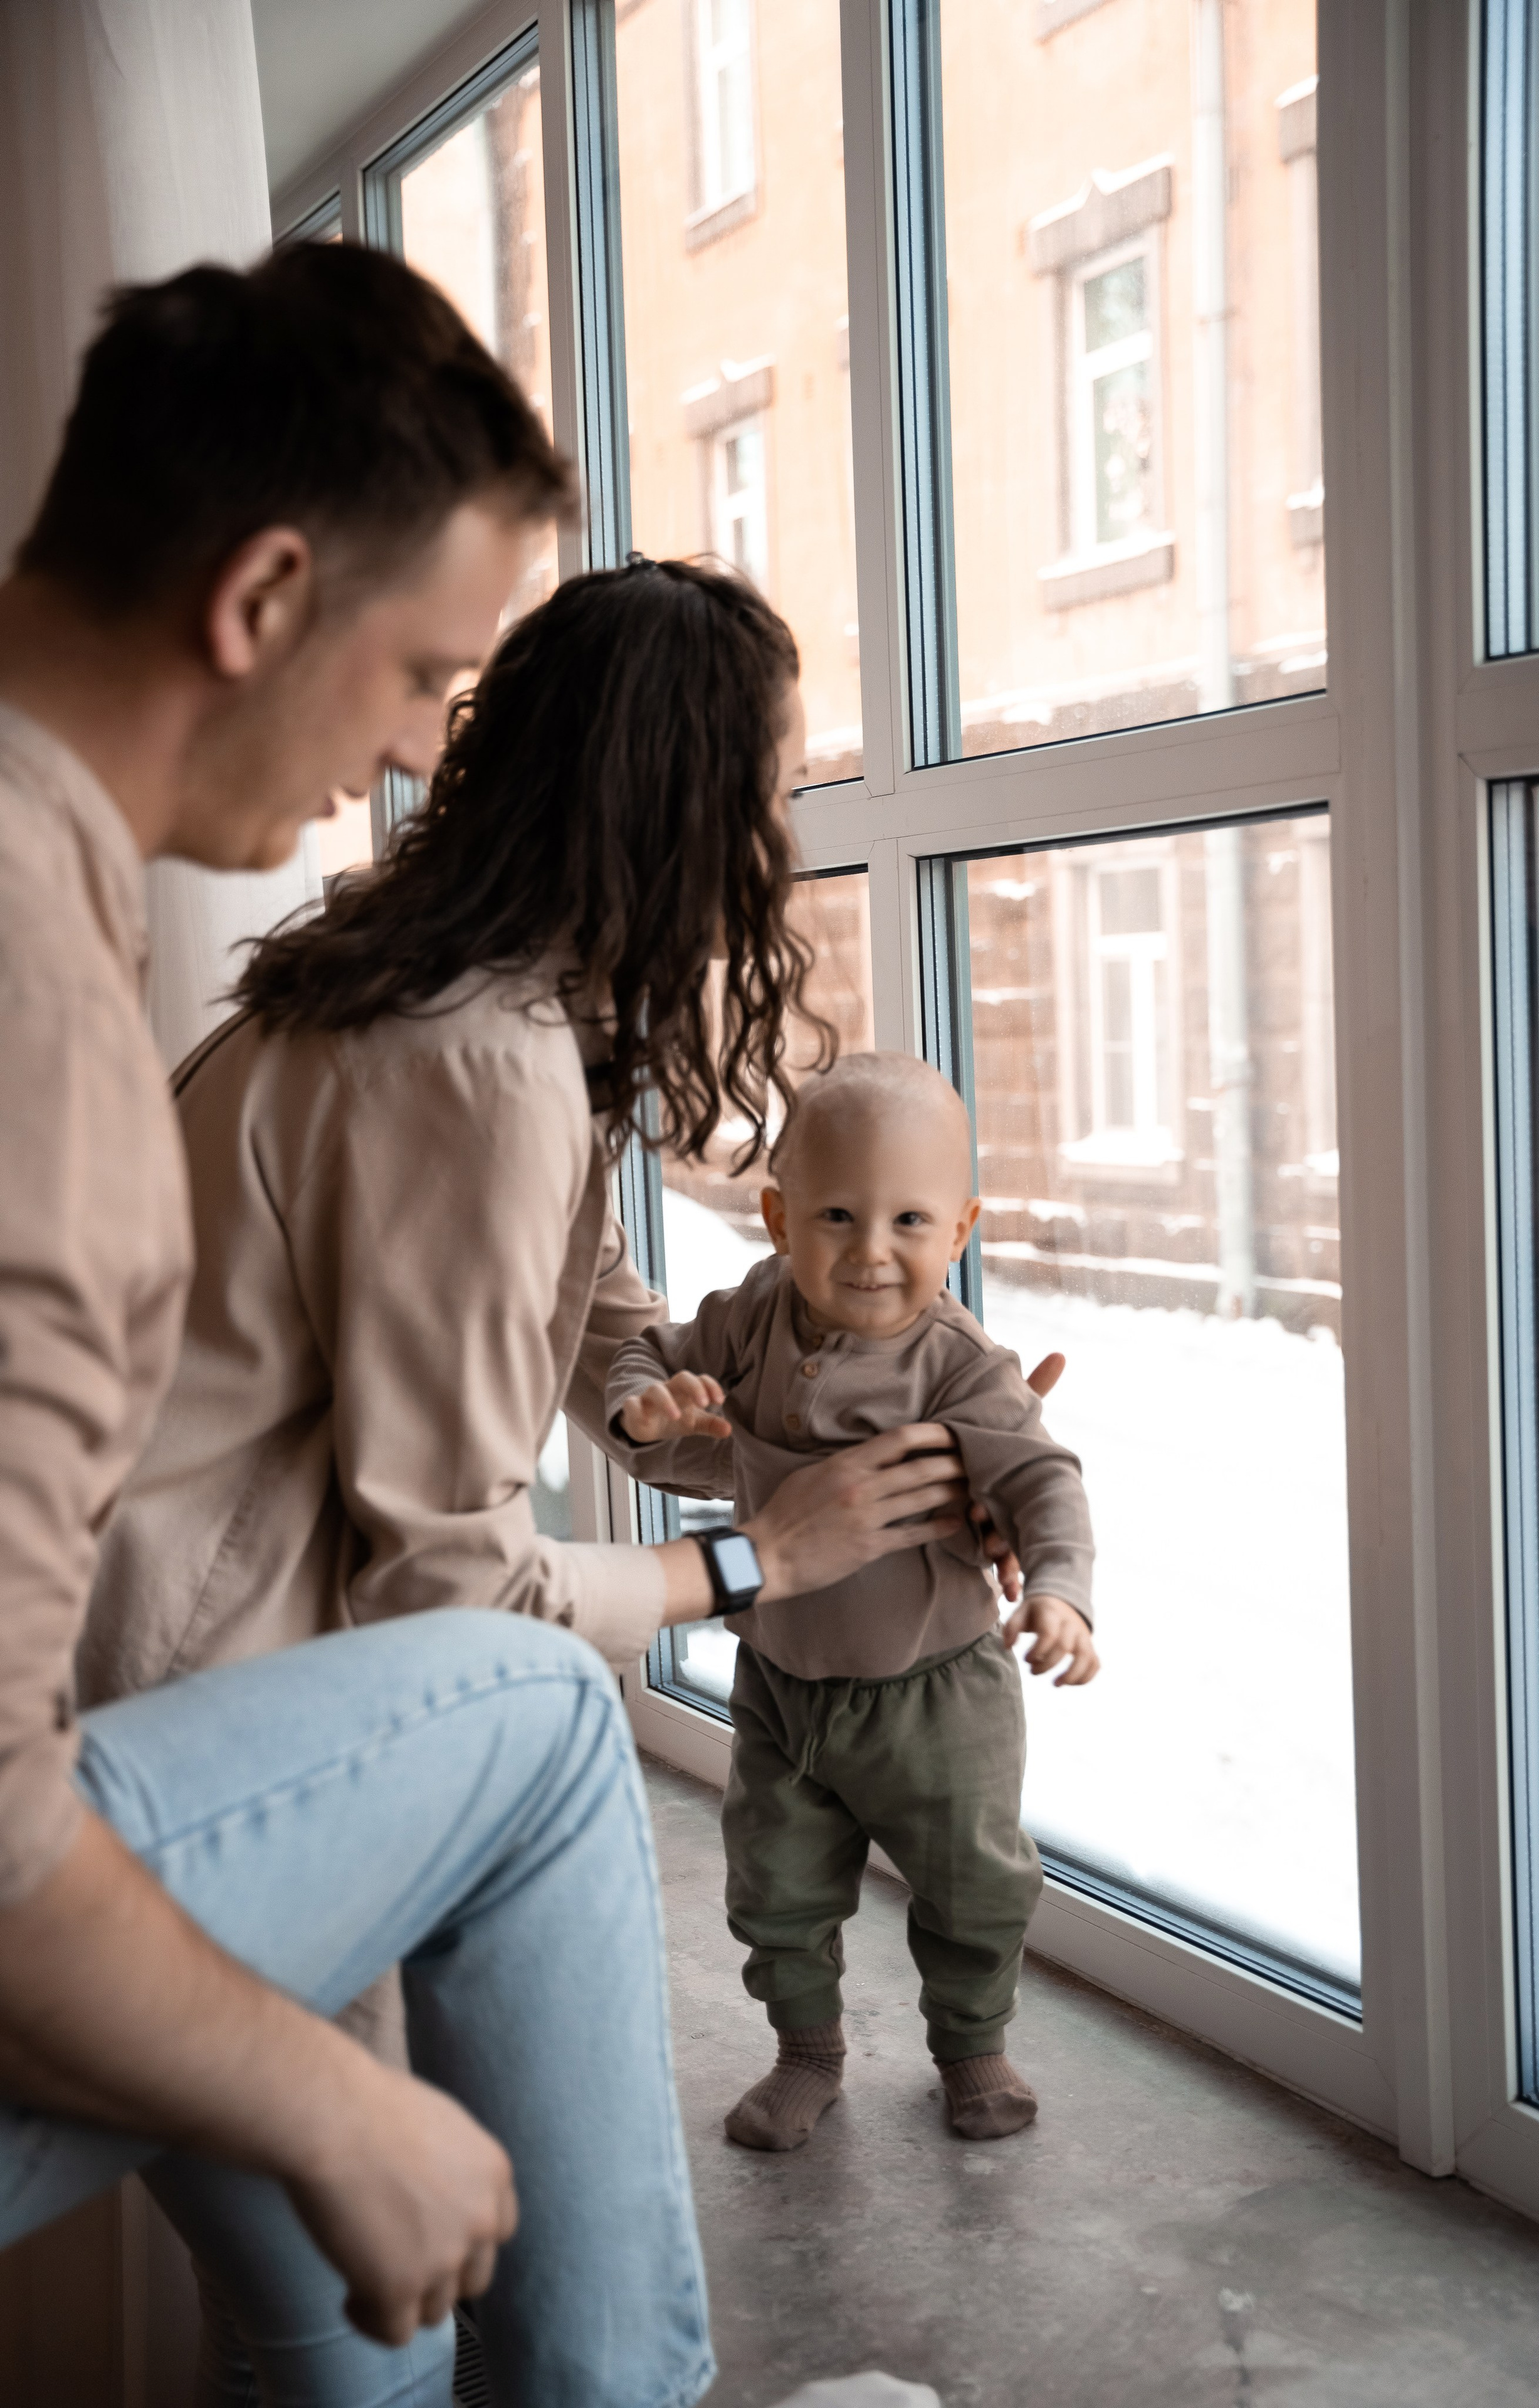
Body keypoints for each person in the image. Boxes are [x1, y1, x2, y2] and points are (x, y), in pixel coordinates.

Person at [0, 243, 975, 2408]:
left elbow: (508, 1264)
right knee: (538, 1723)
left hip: (158, 1688)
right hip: (188, 1721)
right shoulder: (452, 1052)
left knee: (356, 2349)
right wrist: (753, 1558)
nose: (407, 745)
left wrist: (638, 1363)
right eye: (419, 669)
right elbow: (449, 1573)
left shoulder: (398, 995)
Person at [605, 1051, 1100, 2153]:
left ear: (962, 1228)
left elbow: (1041, 1478)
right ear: (778, 1218)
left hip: (939, 1693)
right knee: (776, 1889)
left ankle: (973, 2048)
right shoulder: (751, 1318)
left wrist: (1060, 1586)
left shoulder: (963, 1364)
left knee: (975, 1886)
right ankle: (807, 2052)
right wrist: (649, 1410)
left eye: (911, 1221)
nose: (873, 1253)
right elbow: (644, 1353)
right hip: (781, 1682)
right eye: (837, 1215)